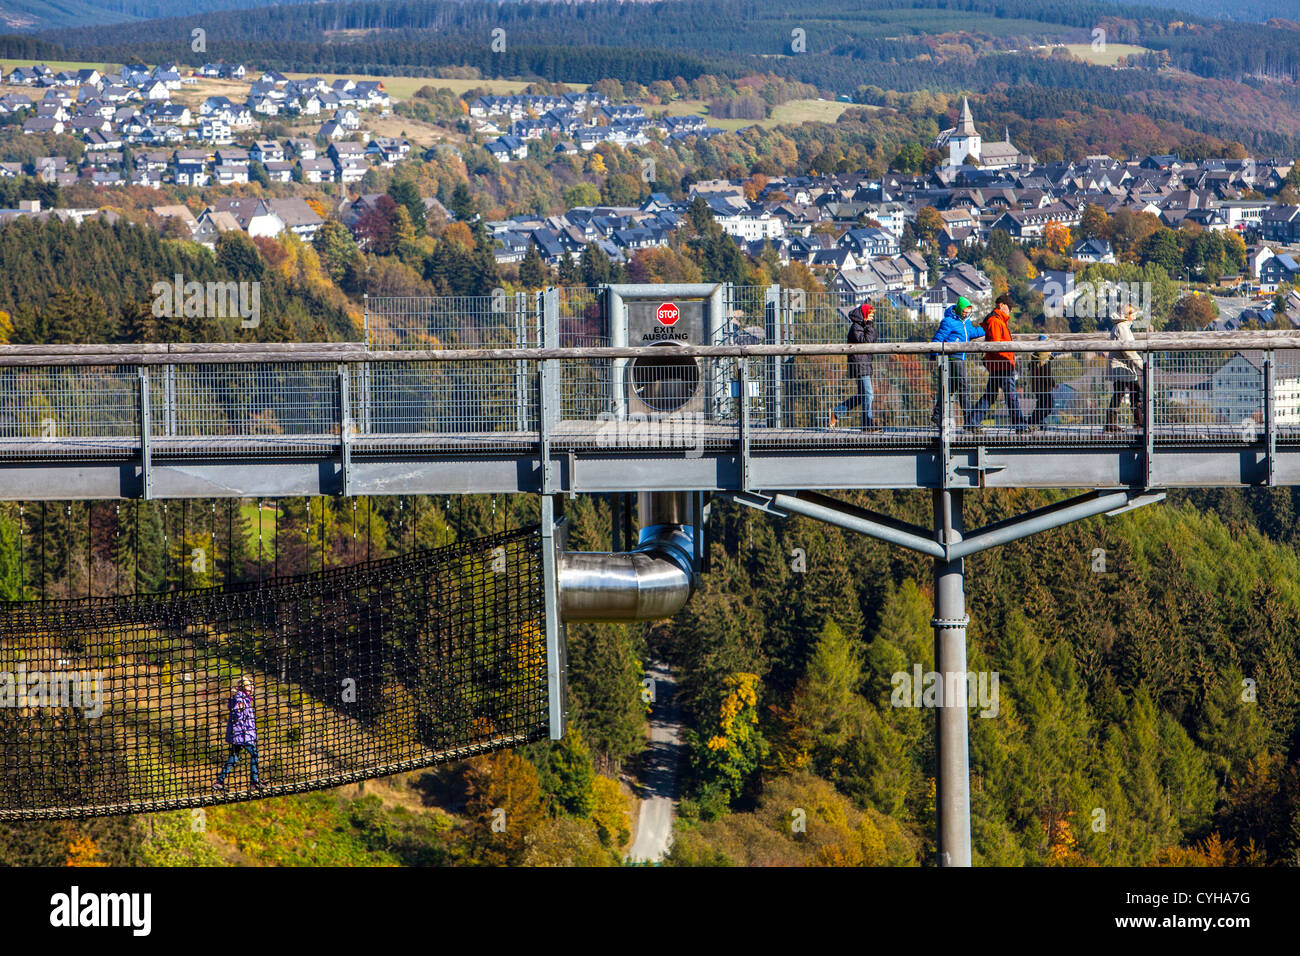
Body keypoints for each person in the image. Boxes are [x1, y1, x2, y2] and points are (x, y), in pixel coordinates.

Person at [969, 294, 1025, 431]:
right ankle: (1020, 425)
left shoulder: (998, 320)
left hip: (998, 364)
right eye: (1009, 307)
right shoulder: (995, 321)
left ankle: (972, 423)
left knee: (990, 395)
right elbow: (996, 344)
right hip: (1002, 365)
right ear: (1001, 305)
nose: (1010, 310)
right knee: (1011, 396)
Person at [929, 295, 985, 428]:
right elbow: (937, 339)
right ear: (959, 310)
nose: (966, 314)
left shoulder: (966, 322)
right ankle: (970, 422)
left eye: (968, 311)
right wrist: (933, 356)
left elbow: (971, 333)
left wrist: (986, 328)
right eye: (964, 311)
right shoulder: (948, 321)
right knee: (964, 388)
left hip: (960, 358)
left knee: (950, 389)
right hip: (954, 359)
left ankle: (937, 414)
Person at [830, 300, 878, 430]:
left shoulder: (863, 326)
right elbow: (867, 341)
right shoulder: (856, 327)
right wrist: (869, 326)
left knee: (863, 395)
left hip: (864, 364)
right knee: (868, 394)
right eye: (870, 315)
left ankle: (837, 412)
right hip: (860, 365)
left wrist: (869, 326)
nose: (872, 317)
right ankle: (867, 424)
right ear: (864, 315)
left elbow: (873, 338)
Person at [214, 676, 262, 792]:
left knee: (233, 758)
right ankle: (254, 782)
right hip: (242, 734)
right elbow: (237, 713)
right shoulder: (240, 698)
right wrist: (239, 710)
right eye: (249, 685)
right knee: (254, 755)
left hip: (240, 734)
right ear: (243, 687)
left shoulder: (243, 698)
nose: (252, 688)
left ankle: (219, 782)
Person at [1106, 304, 1144, 433]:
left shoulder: (1121, 326)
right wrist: (1142, 365)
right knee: (1129, 392)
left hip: (1123, 367)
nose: (1134, 318)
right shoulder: (1122, 327)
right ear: (1127, 316)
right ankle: (1137, 423)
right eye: (1133, 315)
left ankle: (1114, 423)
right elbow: (1128, 350)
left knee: (1123, 393)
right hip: (1122, 367)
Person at [1025, 334, 1059, 428]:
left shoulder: (1035, 357)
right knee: (1047, 406)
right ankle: (1033, 421)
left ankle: (1036, 421)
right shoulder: (1044, 359)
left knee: (1041, 405)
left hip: (1037, 387)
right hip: (1043, 387)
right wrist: (1053, 384)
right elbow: (1046, 375)